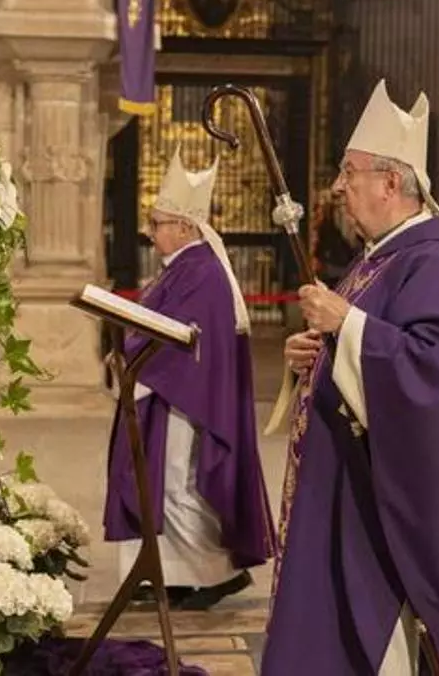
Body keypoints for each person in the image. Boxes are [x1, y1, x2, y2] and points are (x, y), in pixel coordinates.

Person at [261, 80, 439, 675]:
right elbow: (357, 344)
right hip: (339, 485)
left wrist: (347, 324)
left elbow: (432, 374)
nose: (339, 187)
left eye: (350, 172)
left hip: (375, 503)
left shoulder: (428, 260)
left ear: (391, 182)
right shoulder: (380, 256)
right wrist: (314, 353)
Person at [103, 149, 275, 611]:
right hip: (167, 390)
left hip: (185, 395)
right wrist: (126, 348)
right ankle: (172, 574)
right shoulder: (185, 267)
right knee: (162, 480)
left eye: (157, 223)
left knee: (178, 482)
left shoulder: (201, 271)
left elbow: (188, 338)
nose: (149, 231)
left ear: (184, 227)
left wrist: (132, 354)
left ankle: (215, 574)